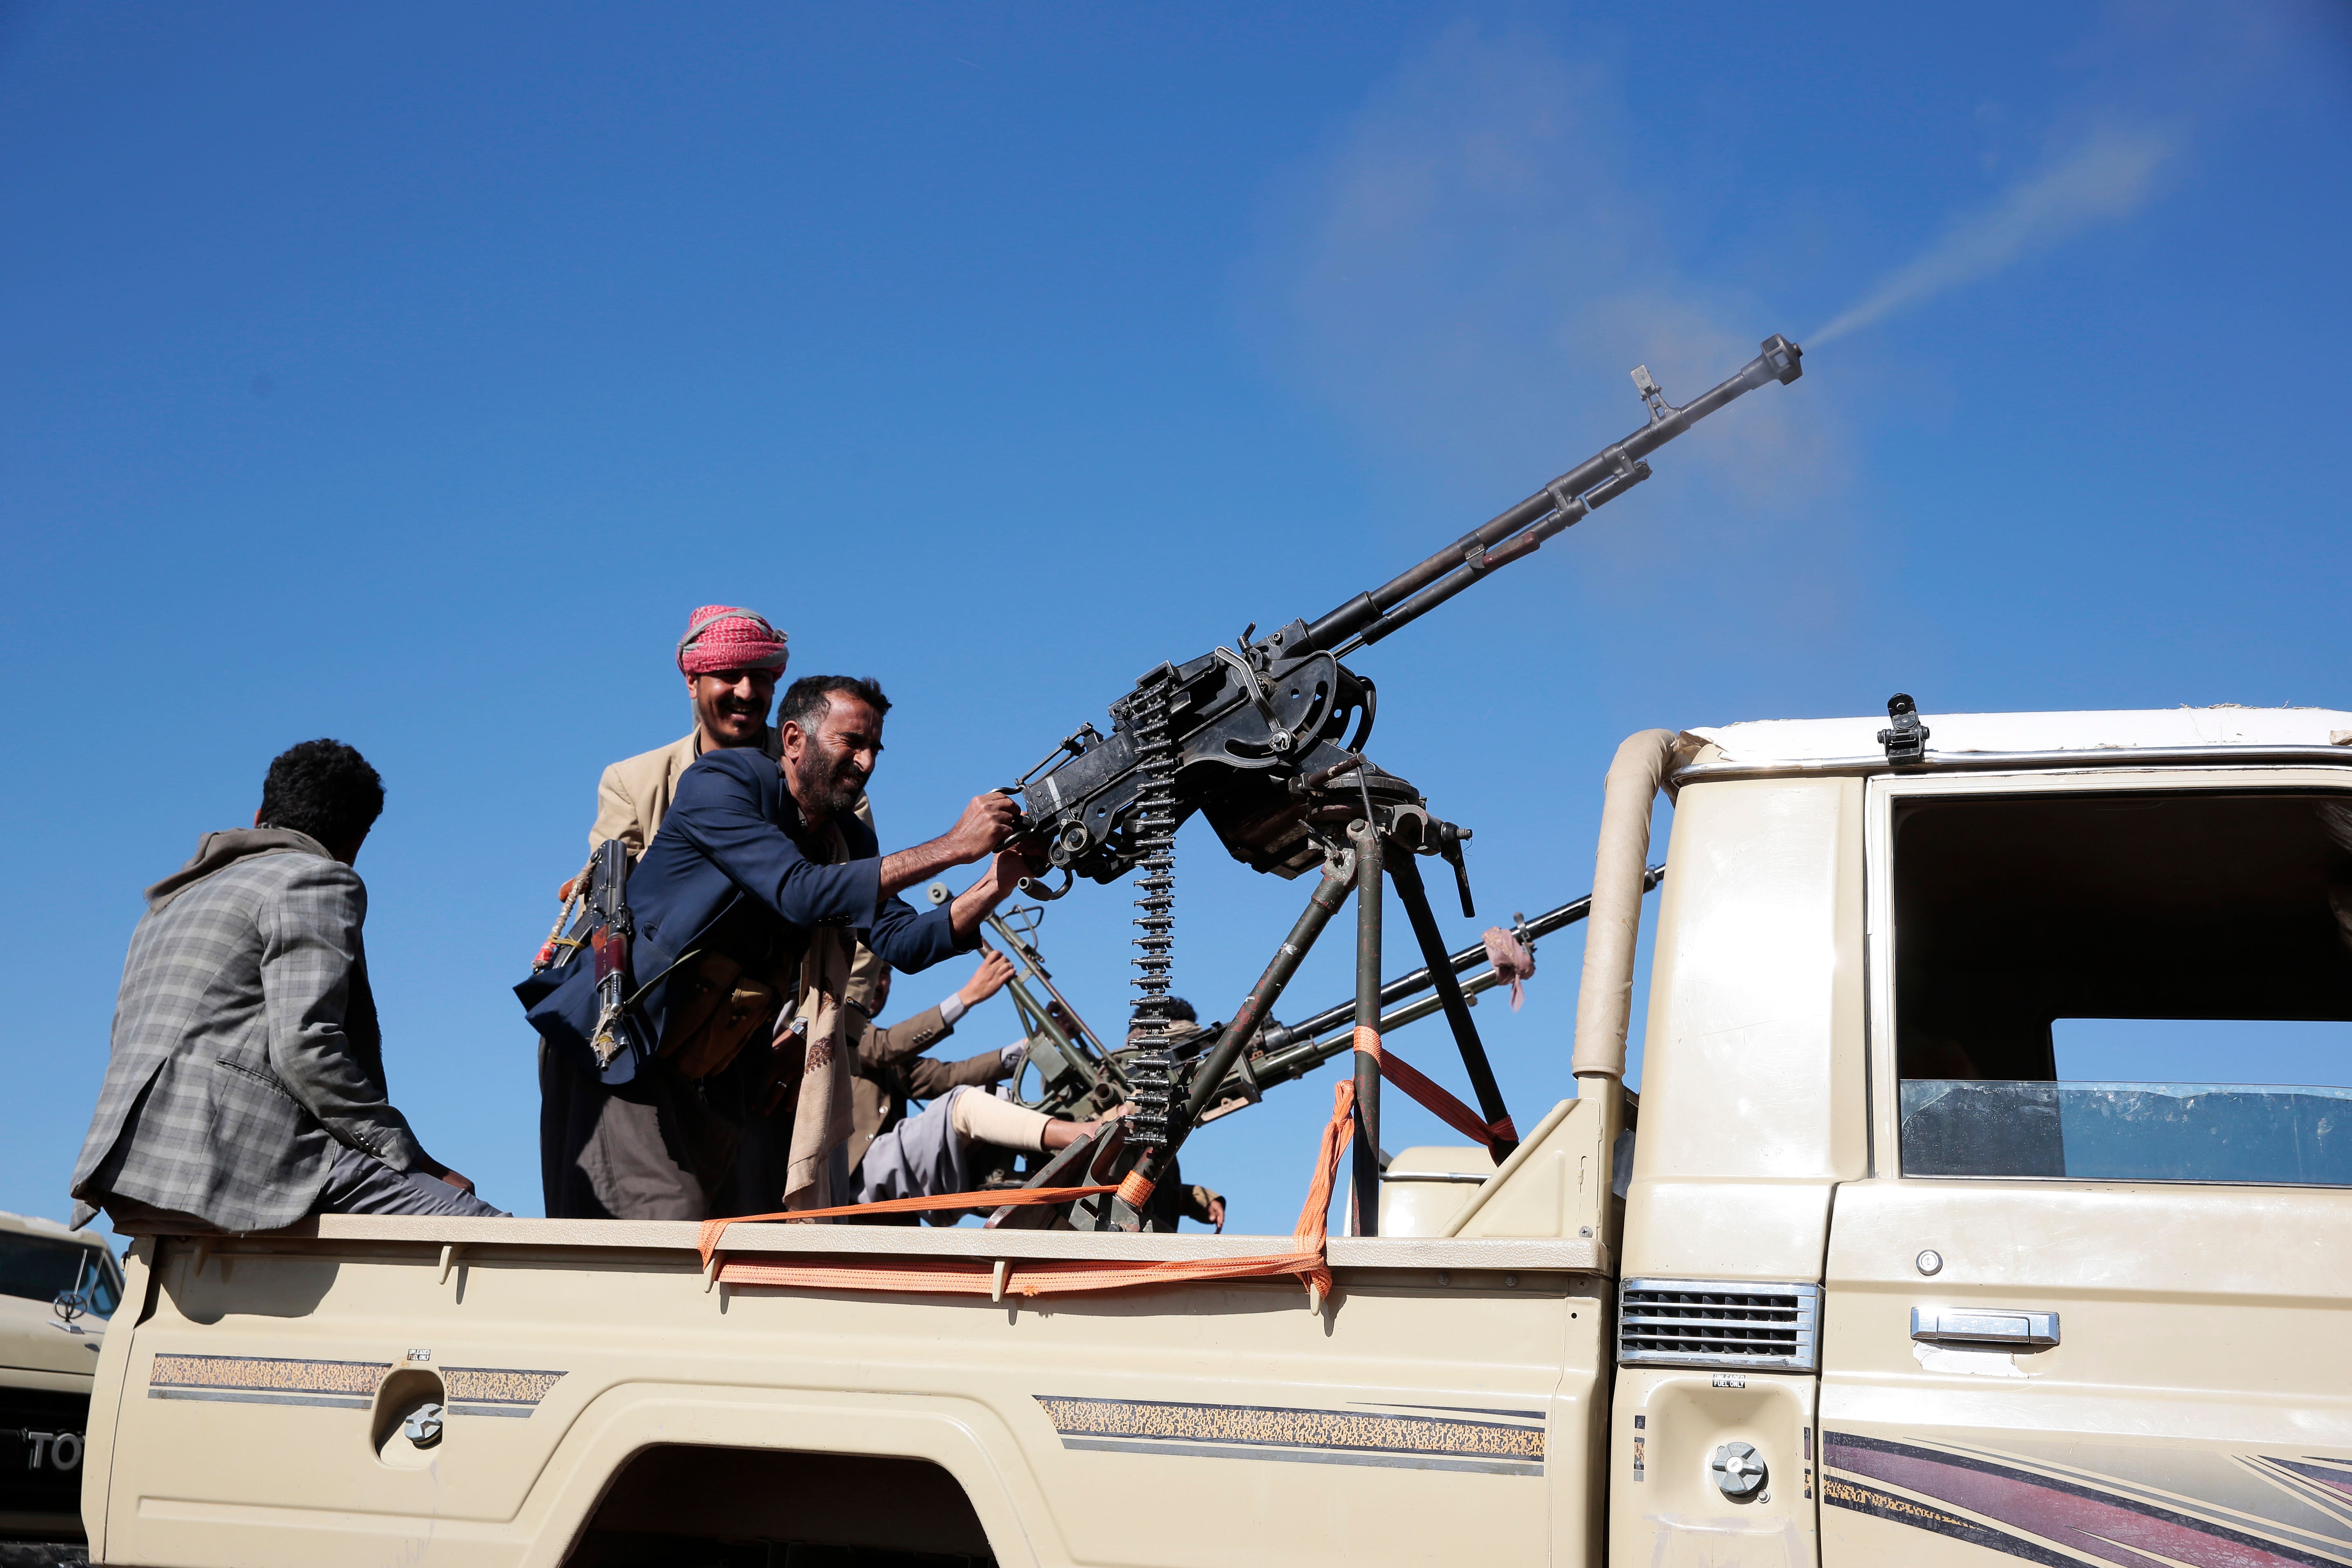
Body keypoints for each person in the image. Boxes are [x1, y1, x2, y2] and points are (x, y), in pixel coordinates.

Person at [523, 675, 1036, 1218]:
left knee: (740, 1233)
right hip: (624, 1047)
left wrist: (999, 880)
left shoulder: (845, 837)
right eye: (852, 744)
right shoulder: (722, 782)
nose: (867, 763)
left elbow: (901, 941)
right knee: (660, 1235)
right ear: (794, 740)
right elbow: (798, 892)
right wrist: (955, 847)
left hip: (713, 1069)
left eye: (874, 749)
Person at [71, 741, 502, 1234]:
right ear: (356, 841)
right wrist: (408, 1154)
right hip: (233, 1158)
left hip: (130, 1172)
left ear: (259, 815)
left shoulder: (171, 902)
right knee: (496, 1241)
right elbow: (305, 1047)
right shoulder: (314, 879)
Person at [537, 605, 797, 1220]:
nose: (746, 691)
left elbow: (855, 926)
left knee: (757, 1227)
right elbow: (611, 896)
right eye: (729, 676)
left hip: (762, 1042)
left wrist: (814, 1036)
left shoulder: (812, 779)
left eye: (760, 677)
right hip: (654, 1029)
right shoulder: (634, 780)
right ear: (693, 682)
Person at [844, 949, 1022, 1172]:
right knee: (965, 1109)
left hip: (883, 1184)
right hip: (844, 1180)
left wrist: (1029, 1047)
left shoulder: (892, 1063)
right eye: (871, 972)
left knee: (998, 1099)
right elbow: (883, 1047)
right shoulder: (830, 1027)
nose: (878, 983)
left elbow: (947, 1076)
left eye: (885, 973)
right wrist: (966, 997)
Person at [1126, 1000, 1229, 1232]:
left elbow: (1146, 1187)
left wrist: (1198, 1200)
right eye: (1182, 1056)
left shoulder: (1158, 1134)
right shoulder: (1121, 1108)